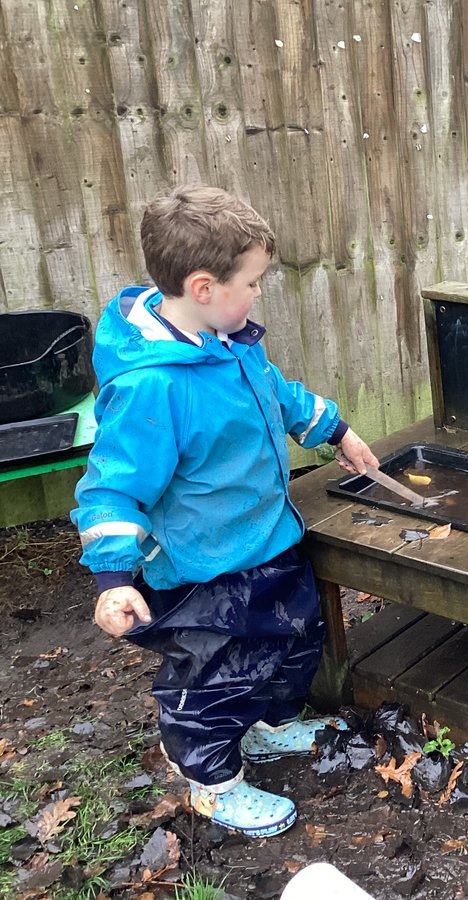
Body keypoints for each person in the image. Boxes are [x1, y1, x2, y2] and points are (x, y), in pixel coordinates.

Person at [72, 185, 380, 839]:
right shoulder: (153, 385)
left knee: (297, 641)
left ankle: (268, 727)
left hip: (266, 539)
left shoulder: (231, 338)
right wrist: (112, 579)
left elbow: (275, 395)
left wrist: (335, 429)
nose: (260, 293)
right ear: (205, 286)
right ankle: (213, 782)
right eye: (254, 281)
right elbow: (111, 489)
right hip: (202, 568)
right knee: (214, 681)